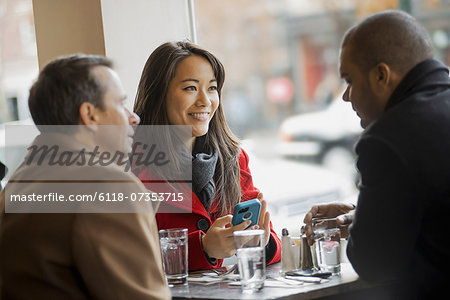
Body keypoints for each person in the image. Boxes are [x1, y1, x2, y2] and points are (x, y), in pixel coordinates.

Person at [303, 10, 450, 299]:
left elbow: (373, 263)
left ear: (381, 75)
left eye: (349, 80)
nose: (346, 96)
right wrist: (367, 216)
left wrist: (365, 229)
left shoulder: (389, 138)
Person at [0, 54, 171, 299]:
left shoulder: (16, 184)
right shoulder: (108, 184)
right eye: (121, 104)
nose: (134, 117)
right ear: (90, 115)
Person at [133, 41, 281, 271]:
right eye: (190, 88)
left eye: (212, 88)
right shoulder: (129, 166)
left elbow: (268, 238)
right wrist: (203, 248)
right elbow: (126, 259)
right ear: (159, 94)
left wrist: (262, 244)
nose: (205, 101)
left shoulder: (233, 158)